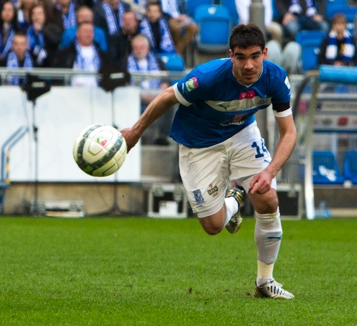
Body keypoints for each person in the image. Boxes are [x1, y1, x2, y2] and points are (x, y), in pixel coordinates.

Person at [120, 24, 296, 299]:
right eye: (240, 57)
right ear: (230, 55)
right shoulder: (208, 77)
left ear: (265, 53)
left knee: (268, 199)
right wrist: (135, 132)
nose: (248, 65)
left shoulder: (275, 78)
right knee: (213, 226)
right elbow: (167, 96)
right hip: (198, 143)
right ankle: (236, 198)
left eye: (254, 56)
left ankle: (265, 280)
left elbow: (289, 132)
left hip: (240, 133)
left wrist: (270, 172)